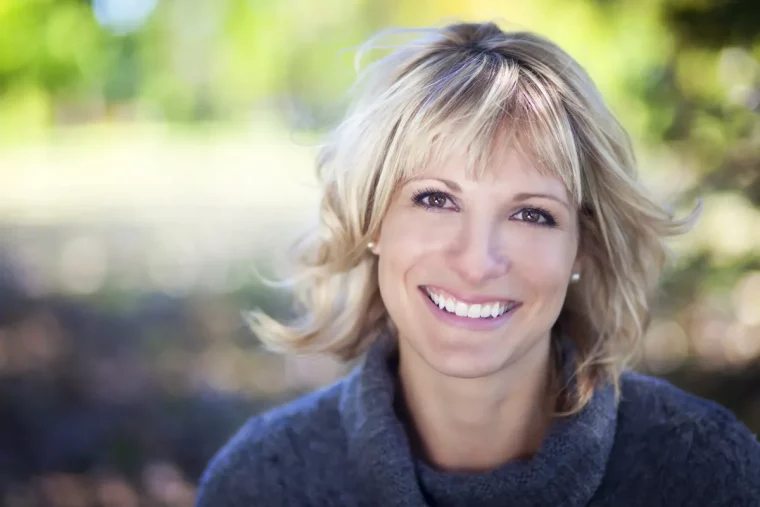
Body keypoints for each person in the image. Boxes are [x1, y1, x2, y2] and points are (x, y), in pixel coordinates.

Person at [195, 21, 760, 506]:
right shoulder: (263, 482)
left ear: (583, 245)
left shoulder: (705, 470)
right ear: (371, 222)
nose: (476, 261)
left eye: (532, 214)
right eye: (436, 199)